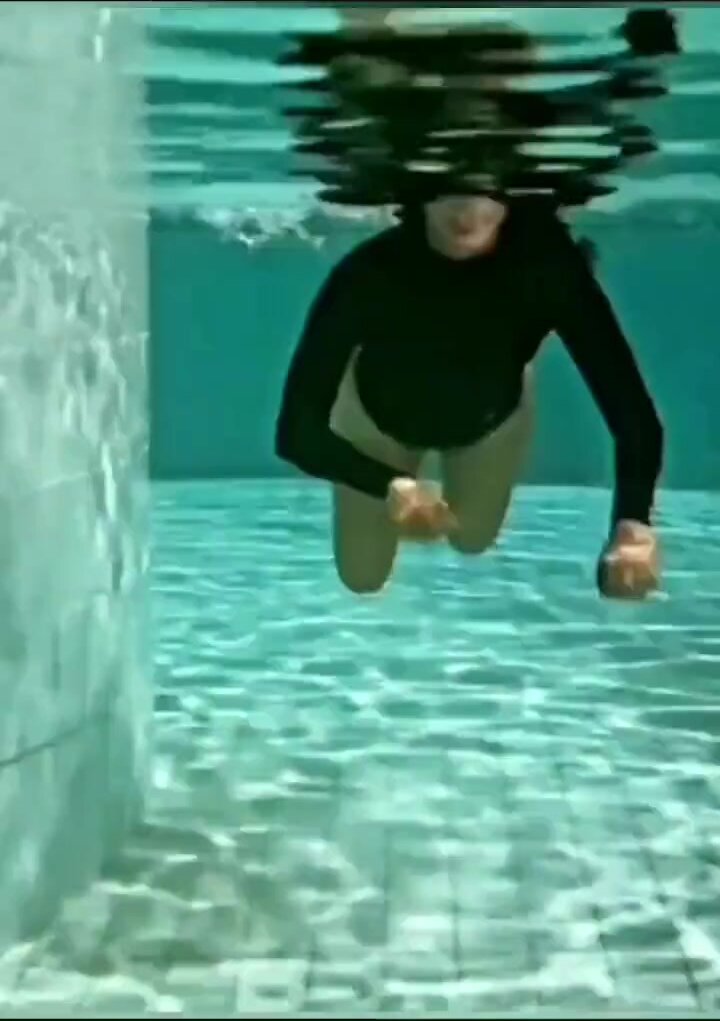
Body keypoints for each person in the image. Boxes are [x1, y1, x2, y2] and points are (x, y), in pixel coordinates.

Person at [274, 191, 663, 600]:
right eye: (445, 189)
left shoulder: (551, 270)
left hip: (491, 420)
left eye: (487, 189)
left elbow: (634, 418)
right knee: (362, 578)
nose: (466, 209)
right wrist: (388, 484)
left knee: (472, 538)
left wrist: (632, 527)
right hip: (375, 417)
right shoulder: (368, 272)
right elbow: (295, 433)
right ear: (418, 192)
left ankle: (516, 369)